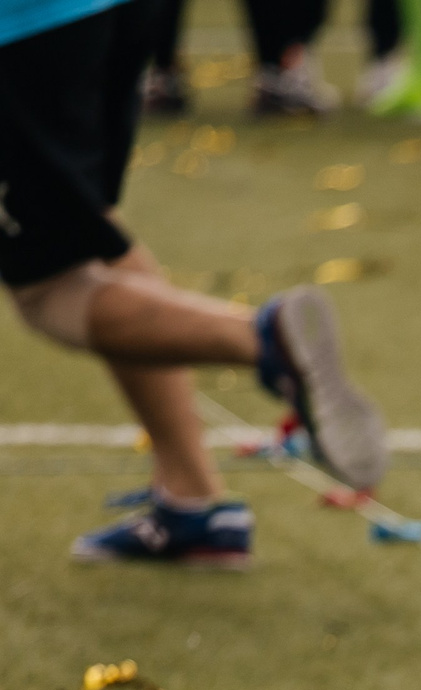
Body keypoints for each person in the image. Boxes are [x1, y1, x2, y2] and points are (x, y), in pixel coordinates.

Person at [3, 0, 390, 563]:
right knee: (88, 232)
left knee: (51, 288)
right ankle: (193, 502)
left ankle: (265, 340)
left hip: (26, 26)